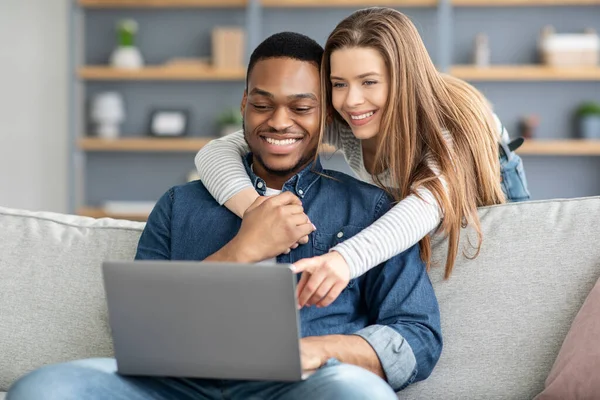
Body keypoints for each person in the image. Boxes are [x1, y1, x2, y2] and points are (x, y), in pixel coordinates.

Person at [6, 32, 442, 400]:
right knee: (46, 386)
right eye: (262, 104)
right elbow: (140, 330)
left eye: (301, 108)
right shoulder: (181, 205)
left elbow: (418, 336)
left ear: (326, 114)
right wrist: (242, 250)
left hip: (302, 385)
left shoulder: (372, 210)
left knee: (359, 392)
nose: (278, 122)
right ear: (243, 104)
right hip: (173, 386)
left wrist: (317, 350)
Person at [194, 7, 531, 309]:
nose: (351, 101)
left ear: (403, 79)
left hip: (485, 189)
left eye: (369, 82)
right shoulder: (346, 123)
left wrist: (343, 259)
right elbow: (216, 151)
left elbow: (427, 204)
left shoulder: (449, 125)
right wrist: (257, 211)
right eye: (339, 84)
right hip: (417, 213)